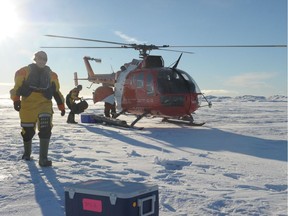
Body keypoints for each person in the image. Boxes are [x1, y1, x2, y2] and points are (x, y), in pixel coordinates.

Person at [10, 51, 65, 167]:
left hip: (44, 103)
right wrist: (16, 99)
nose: (42, 61)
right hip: (28, 104)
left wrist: (61, 106)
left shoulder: (52, 75)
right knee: (28, 131)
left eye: (44, 59)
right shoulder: (24, 71)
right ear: (35, 59)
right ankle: (27, 154)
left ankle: (43, 159)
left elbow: (56, 91)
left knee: (45, 128)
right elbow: (17, 87)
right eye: (40, 59)